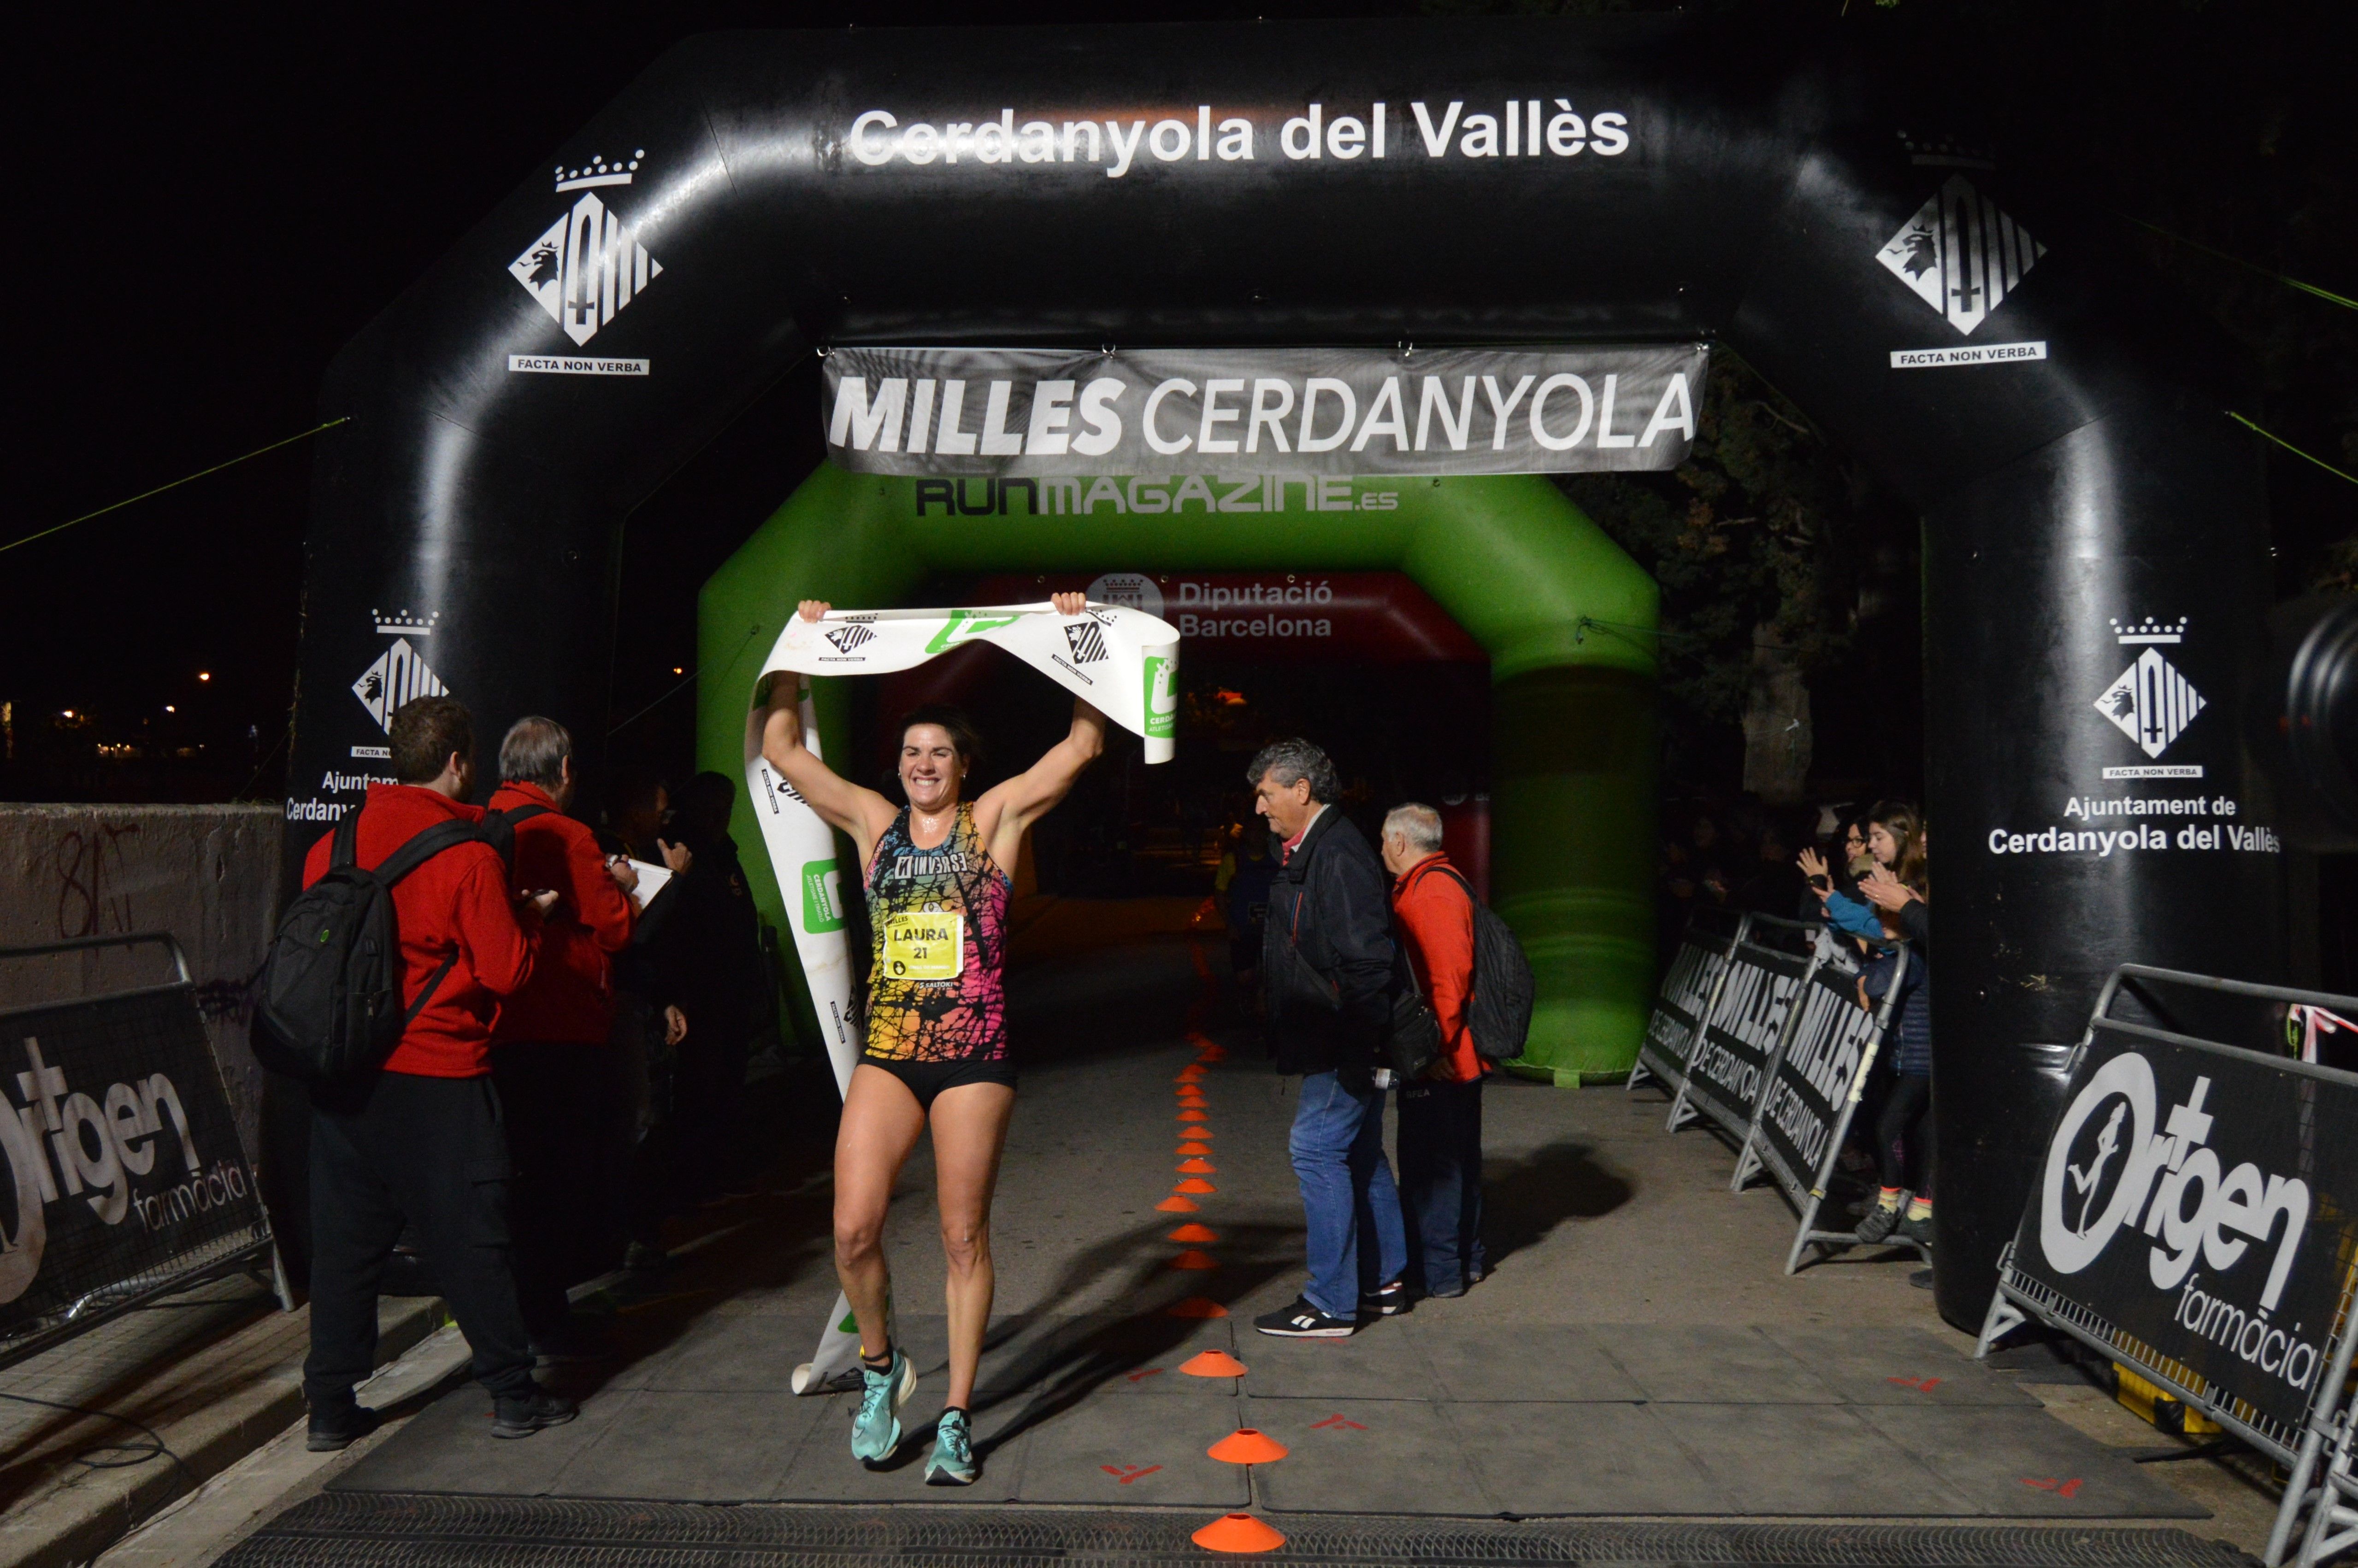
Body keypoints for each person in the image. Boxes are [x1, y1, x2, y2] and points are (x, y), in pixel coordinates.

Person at [755, 593, 1106, 1487]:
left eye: (938, 752)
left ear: (961, 766)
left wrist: (1078, 641)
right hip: (891, 1052)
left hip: (973, 1056)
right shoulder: (872, 823)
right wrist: (797, 649)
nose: (922, 763)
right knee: (851, 1229)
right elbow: (784, 749)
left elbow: (1082, 749)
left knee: (960, 1239)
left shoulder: (993, 820)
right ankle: (881, 1371)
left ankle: (953, 1413)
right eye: (911, 751)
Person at [299, 696, 577, 1449]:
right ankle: (513, 1396)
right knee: (473, 1239)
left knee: (347, 1248)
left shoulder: (333, 845)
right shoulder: (467, 854)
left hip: (345, 1077)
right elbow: (506, 971)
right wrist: (533, 915)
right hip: (439, 1075)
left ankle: (329, 1407)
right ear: (459, 762)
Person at [484, 717, 638, 1362]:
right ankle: (547, 1319)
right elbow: (615, 931)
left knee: (516, 1179)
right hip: (564, 1025)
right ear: (565, 770)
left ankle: (520, 1314)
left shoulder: (486, 822)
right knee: (556, 1182)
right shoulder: (569, 834)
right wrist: (622, 887)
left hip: (500, 1024)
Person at [1248, 738, 1407, 1338]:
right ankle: (1384, 1281)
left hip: (1343, 1039)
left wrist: (1359, 1051)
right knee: (1360, 1156)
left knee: (1315, 1150)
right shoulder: (1315, 849)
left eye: (1266, 793)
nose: (1259, 806)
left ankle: (1333, 1302)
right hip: (1340, 1035)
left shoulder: (1336, 854)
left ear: (1301, 790)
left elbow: (1368, 962)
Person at [1381, 803, 1488, 1300]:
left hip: (1445, 1059)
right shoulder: (1438, 883)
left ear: (1400, 843)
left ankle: (1439, 1273)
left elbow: (1448, 980)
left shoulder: (1431, 891)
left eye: (1384, 841)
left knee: (1433, 1172)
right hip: (1456, 1056)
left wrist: (1431, 1052)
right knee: (1455, 1167)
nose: (1382, 851)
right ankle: (1463, 1264)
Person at [1855, 902, 1934, 1248]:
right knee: (1924, 1135)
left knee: (1889, 1127)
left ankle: (1889, 1206)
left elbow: (1876, 986)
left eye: (1889, 915)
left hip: (1921, 1064)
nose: (1880, 922)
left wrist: (1865, 969)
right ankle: (1921, 1212)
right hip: (1916, 1061)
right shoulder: (1909, 954)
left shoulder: (1911, 958)